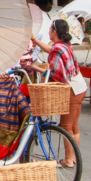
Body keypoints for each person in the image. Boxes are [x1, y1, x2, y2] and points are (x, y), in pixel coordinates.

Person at [34, 19, 85, 167]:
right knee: (74, 125)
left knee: (66, 126)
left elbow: (56, 74)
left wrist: (36, 68)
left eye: (50, 29)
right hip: (80, 86)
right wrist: (35, 40)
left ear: (54, 32)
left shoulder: (58, 48)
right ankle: (73, 156)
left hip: (72, 88)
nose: (49, 31)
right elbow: (50, 50)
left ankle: (69, 159)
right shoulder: (63, 45)